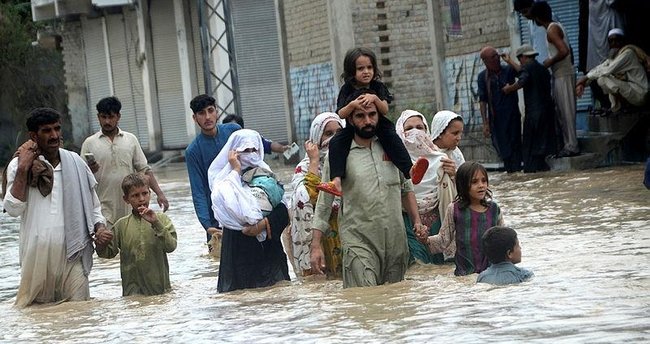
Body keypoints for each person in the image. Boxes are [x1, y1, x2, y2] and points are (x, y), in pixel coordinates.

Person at [309, 89, 426, 288]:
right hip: (358, 242)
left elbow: (406, 189)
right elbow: (324, 203)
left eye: (372, 115)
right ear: (351, 120)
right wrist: (315, 246)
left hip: (395, 242)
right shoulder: (339, 155)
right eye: (360, 116)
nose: (368, 121)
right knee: (364, 303)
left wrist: (417, 222)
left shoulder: (391, 148)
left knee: (396, 302)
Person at [3, 108, 111, 307]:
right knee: (38, 316)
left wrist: (100, 227)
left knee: (81, 311)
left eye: (57, 129)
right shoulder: (19, 166)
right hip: (36, 259)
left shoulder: (76, 163)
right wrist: (23, 168)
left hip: (73, 253)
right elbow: (12, 209)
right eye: (47, 131)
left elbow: (94, 206)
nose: (54, 135)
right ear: (33, 136)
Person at [317, 47, 425, 197]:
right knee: (336, 143)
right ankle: (336, 181)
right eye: (360, 68)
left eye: (369, 67)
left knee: (392, 139)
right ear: (351, 71)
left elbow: (385, 109)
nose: (366, 71)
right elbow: (341, 113)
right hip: (353, 127)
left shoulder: (377, 87)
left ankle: (410, 170)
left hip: (379, 125)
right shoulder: (347, 89)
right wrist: (353, 105)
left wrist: (374, 98)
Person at [207, 129, 290, 292]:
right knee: (240, 303)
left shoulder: (268, 178)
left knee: (278, 298)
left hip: (269, 256)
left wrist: (263, 224)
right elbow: (227, 208)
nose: (251, 155)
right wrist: (236, 171)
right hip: (238, 255)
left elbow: (284, 212)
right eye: (245, 150)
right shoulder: (225, 183)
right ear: (233, 153)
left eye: (255, 150)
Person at [81, 96, 169, 229]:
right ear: (98, 117)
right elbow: (81, 177)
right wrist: (90, 169)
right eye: (103, 117)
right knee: (107, 245)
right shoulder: (89, 143)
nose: (107, 121)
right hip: (103, 208)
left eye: (111, 117)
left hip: (130, 206)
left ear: (118, 116)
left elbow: (145, 170)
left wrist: (160, 194)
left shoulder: (130, 140)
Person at [395, 110, 465, 264]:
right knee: (417, 265)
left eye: (420, 128)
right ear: (400, 132)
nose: (415, 132)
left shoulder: (442, 159)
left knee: (440, 268)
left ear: (426, 131)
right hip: (408, 222)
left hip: (438, 221)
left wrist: (454, 175)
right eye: (409, 128)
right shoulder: (394, 162)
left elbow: (463, 193)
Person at [417, 161, 505, 276]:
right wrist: (425, 240)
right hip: (464, 274)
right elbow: (443, 240)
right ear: (463, 185)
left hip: (490, 273)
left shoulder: (494, 209)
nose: (481, 185)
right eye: (474, 182)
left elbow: (503, 240)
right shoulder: (455, 209)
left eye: (484, 181)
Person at [95, 173, 177, 296]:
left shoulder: (162, 220)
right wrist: (101, 243)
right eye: (135, 195)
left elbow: (171, 246)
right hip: (132, 292)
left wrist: (156, 223)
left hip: (160, 290)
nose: (141, 199)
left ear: (150, 194)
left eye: (145, 193)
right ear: (126, 199)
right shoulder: (121, 225)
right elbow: (107, 254)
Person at [289, 112, 344, 278]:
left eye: (339, 133)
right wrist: (314, 161)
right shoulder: (304, 168)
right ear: (316, 137)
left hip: (347, 232)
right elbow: (307, 198)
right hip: (319, 237)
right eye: (328, 134)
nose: (334, 138)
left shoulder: (350, 161)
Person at [185, 94, 240, 247]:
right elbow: (198, 191)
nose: (207, 117)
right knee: (218, 265)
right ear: (195, 118)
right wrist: (207, 225)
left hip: (243, 207)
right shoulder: (193, 151)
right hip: (216, 217)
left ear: (217, 112)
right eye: (202, 113)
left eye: (210, 111)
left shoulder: (234, 132)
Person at [531, 1, 580, 158]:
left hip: (563, 74)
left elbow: (564, 50)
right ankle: (569, 144)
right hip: (563, 73)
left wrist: (549, 62)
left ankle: (571, 146)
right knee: (563, 111)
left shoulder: (551, 30)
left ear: (537, 18)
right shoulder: (556, 26)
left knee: (566, 112)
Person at [502, 45, 558, 172]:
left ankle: (531, 172)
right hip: (548, 113)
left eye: (519, 59)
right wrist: (510, 61)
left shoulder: (527, 68)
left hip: (534, 114)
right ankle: (542, 170)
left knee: (530, 147)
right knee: (542, 147)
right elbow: (523, 71)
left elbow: (522, 80)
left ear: (523, 57)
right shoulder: (542, 69)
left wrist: (508, 89)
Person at [576, 29, 649, 115]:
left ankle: (625, 105)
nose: (614, 43)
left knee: (603, 78)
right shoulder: (613, 58)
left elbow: (608, 69)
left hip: (640, 94)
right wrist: (583, 84)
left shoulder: (628, 54)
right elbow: (598, 69)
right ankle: (619, 106)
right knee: (601, 78)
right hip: (632, 91)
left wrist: (585, 78)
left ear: (623, 41)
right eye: (611, 41)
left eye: (617, 40)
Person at [478, 46, 523, 172]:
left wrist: (509, 61)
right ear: (485, 61)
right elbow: (483, 100)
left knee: (515, 147)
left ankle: (517, 172)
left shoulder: (508, 70)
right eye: (493, 57)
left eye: (497, 55)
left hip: (512, 116)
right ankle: (511, 173)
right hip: (496, 121)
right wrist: (485, 123)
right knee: (504, 150)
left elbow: (523, 74)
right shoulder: (483, 77)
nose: (497, 59)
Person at [222, 114, 290, 155]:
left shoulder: (251, 139)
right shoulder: (221, 141)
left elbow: (268, 145)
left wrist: (282, 148)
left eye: (234, 129)